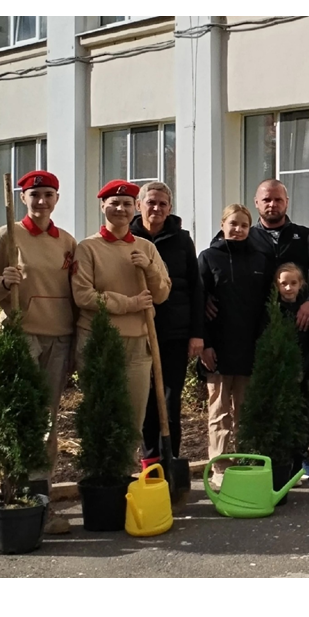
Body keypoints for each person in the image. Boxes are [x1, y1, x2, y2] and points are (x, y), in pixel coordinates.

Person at [0, 170, 78, 535]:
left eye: (48, 194)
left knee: (47, 422)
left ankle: (41, 501)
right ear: (23, 198)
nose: (41, 201)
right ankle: (14, 496)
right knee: (19, 417)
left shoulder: (66, 241)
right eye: (34, 194)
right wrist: (3, 283)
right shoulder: (8, 234)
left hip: (59, 337)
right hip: (23, 334)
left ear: (56, 199)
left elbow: (74, 291)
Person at [72, 180, 171, 447]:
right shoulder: (87, 248)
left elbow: (161, 294)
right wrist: (129, 303)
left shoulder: (146, 247)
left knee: (132, 421)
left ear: (135, 208)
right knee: (101, 416)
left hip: (139, 345)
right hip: (98, 340)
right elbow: (83, 296)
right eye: (114, 203)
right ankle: (100, 476)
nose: (120, 208)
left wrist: (149, 267)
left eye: (127, 203)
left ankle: (126, 479)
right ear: (103, 206)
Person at [129, 182, 205, 471]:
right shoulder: (128, 237)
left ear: (170, 208)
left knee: (170, 401)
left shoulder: (182, 240)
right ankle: (150, 460)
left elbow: (196, 289)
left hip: (174, 331)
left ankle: (170, 458)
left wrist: (197, 333)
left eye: (162, 204)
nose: (156, 208)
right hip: (138, 330)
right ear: (139, 205)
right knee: (144, 400)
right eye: (151, 203)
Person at [197, 204, 271, 477]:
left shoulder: (261, 260)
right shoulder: (208, 257)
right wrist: (204, 343)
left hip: (249, 346)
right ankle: (220, 469)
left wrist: (264, 343)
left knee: (245, 411)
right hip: (217, 348)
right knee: (218, 412)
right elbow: (199, 302)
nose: (238, 230)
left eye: (243, 225)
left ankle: (246, 465)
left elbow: (267, 305)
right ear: (222, 224)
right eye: (233, 224)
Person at [248, 179, 309, 332]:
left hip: (300, 324)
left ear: (286, 202)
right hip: (256, 326)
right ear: (256, 202)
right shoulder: (246, 238)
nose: (272, 204)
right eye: (266, 199)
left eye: (278, 199)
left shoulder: (304, 235)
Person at [276, 263, 309, 480]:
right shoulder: (272, 312)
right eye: (283, 283)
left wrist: (304, 370)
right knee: (283, 418)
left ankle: (302, 459)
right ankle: (284, 462)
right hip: (279, 377)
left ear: (301, 285)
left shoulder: (307, 313)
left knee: (304, 417)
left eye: (293, 283)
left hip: (302, 376)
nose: (288, 288)